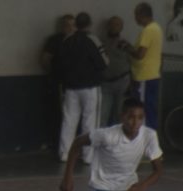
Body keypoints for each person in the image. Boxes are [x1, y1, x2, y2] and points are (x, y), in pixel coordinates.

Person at [56, 12, 109, 163]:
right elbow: (103, 62)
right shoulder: (93, 40)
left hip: (71, 88)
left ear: (76, 25)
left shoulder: (67, 41)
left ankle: (65, 153)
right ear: (89, 24)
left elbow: (59, 64)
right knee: (90, 121)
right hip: (90, 87)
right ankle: (88, 156)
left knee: (68, 121)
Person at [122, 3, 163, 130]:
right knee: (148, 109)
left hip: (144, 76)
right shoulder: (156, 28)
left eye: (136, 15)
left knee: (143, 111)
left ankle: (147, 144)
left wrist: (127, 48)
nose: (135, 19)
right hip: (149, 75)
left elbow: (140, 54)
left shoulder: (148, 30)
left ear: (142, 15)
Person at [39, 14, 76, 149]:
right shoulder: (55, 40)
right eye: (67, 25)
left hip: (77, 83)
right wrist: (55, 73)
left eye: (72, 25)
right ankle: (60, 144)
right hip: (60, 82)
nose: (70, 28)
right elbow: (45, 59)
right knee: (62, 113)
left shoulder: (79, 40)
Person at [100, 16, 131, 127]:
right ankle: (102, 142)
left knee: (120, 114)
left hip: (122, 82)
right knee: (102, 115)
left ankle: (119, 142)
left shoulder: (125, 43)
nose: (114, 27)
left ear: (121, 27)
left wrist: (131, 82)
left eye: (117, 25)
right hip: (105, 84)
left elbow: (132, 61)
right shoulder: (101, 42)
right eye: (112, 24)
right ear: (108, 26)